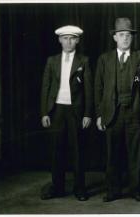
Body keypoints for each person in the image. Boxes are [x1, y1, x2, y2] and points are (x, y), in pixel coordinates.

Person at [95, 17, 140, 202]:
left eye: (128, 35)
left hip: (134, 111)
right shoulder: (105, 59)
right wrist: (99, 114)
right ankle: (113, 190)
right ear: (115, 38)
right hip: (112, 112)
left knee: (136, 153)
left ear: (132, 38)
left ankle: (136, 190)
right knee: (113, 154)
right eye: (121, 35)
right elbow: (99, 88)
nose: (125, 38)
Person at [40, 25, 93, 201]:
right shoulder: (51, 60)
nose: (68, 42)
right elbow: (45, 87)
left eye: (72, 38)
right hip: (57, 110)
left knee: (78, 150)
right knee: (57, 150)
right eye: (65, 38)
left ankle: (80, 188)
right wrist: (45, 112)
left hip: (75, 111)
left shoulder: (83, 61)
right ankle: (57, 187)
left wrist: (87, 114)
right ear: (60, 40)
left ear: (77, 40)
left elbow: (89, 90)